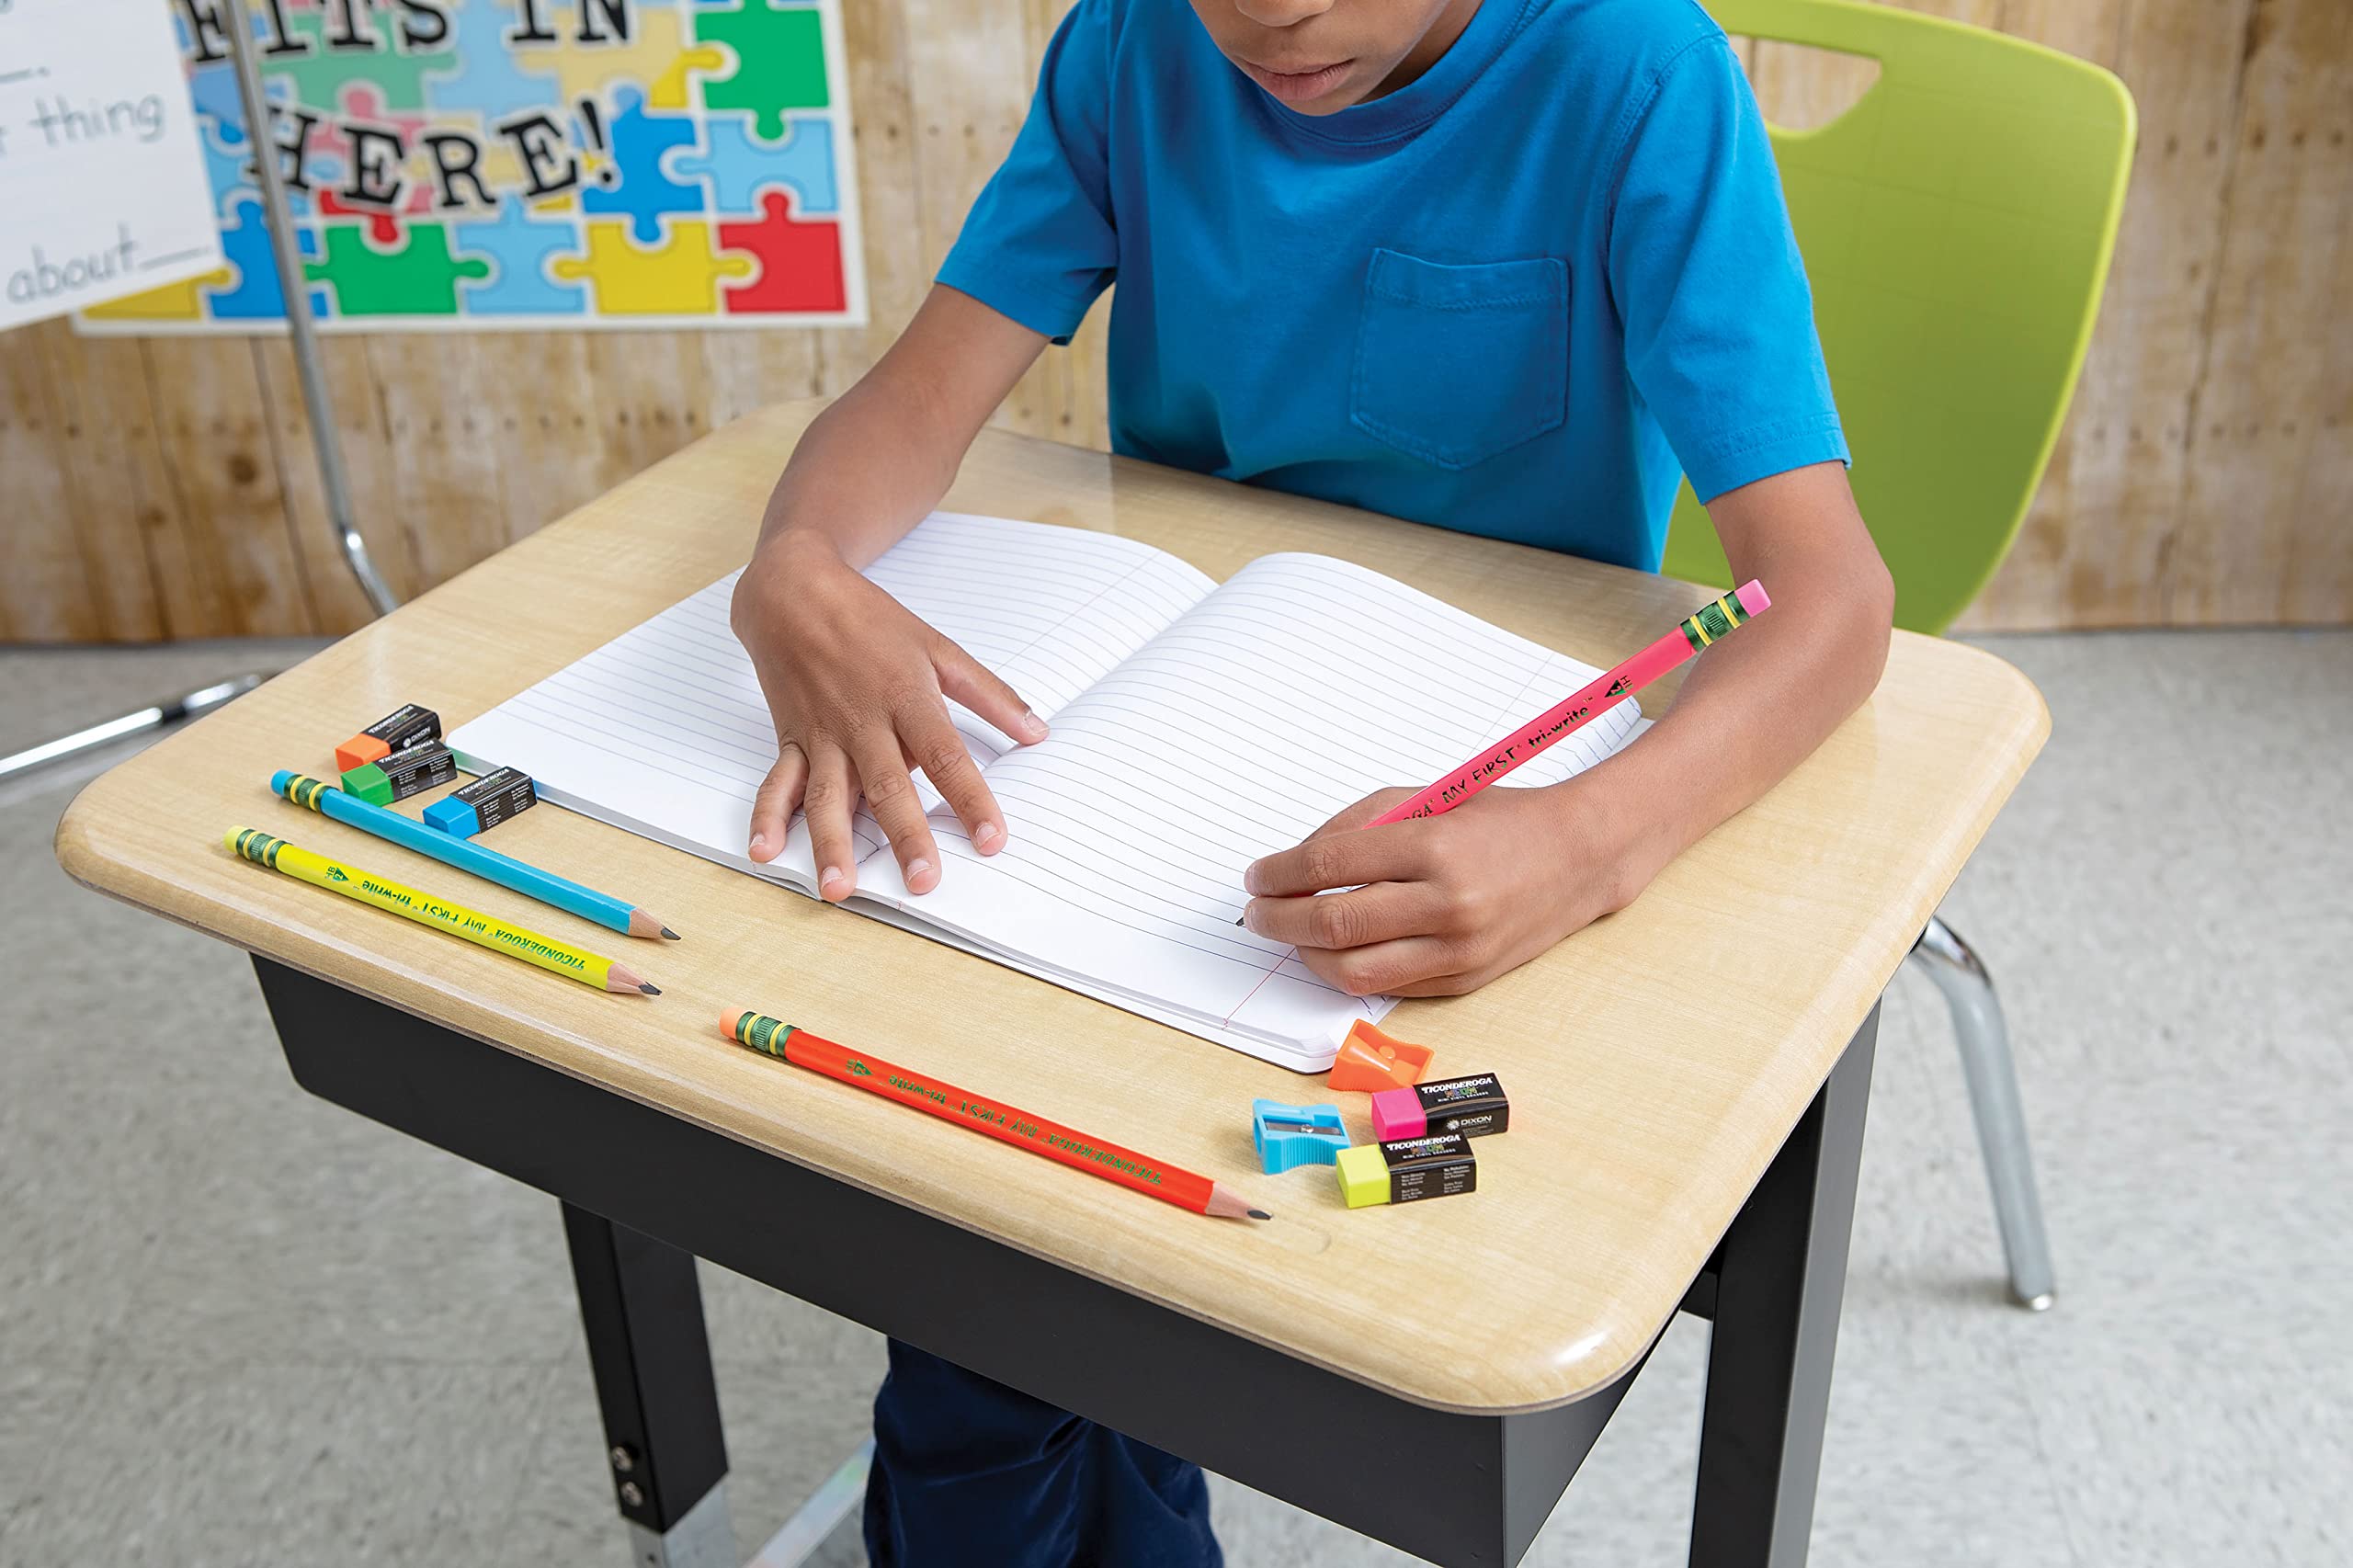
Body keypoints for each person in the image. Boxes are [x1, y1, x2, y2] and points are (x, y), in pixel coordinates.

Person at [729, 0, 1895, 1561]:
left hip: (1485, 806)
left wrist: (1589, 842)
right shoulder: (1134, 45)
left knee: (1033, 1309)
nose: (1275, 14)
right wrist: (791, 562)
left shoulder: (1635, 72)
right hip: (1166, 760)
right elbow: (924, 395)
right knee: (1003, 1239)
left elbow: (1829, 600)